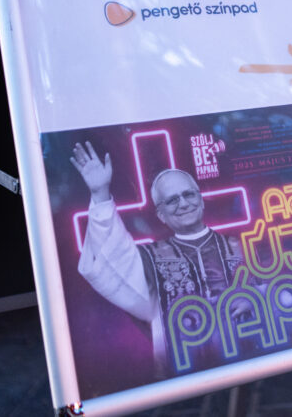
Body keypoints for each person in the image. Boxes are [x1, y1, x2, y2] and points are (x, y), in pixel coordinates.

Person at [71, 140, 249, 370]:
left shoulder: (241, 245)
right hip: (185, 369)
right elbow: (112, 258)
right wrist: (100, 194)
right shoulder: (151, 258)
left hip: (251, 356)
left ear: (201, 200)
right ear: (161, 215)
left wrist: (256, 297)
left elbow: (281, 285)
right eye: (172, 200)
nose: (183, 204)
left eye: (188, 194)